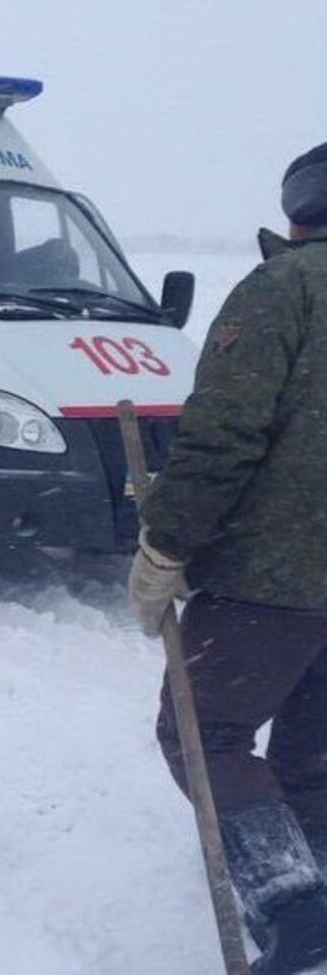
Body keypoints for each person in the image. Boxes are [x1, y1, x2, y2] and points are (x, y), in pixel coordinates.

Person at [131, 141, 327, 975]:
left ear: (298, 209)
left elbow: (222, 434)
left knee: (201, 730)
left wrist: (166, 543)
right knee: (313, 745)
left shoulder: (284, 288)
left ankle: (293, 901)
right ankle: (314, 871)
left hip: (274, 575)